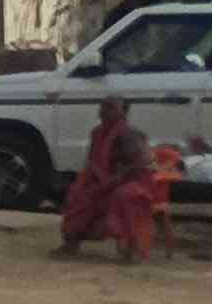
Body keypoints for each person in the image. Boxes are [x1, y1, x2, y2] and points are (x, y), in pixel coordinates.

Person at [57, 96, 162, 260]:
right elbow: (92, 161)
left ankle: (132, 248)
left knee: (124, 195)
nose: (105, 111)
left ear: (124, 112)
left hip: (134, 180)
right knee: (78, 194)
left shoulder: (131, 134)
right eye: (103, 107)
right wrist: (91, 181)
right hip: (104, 180)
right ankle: (71, 243)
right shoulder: (97, 133)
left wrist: (116, 178)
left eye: (111, 107)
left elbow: (144, 162)